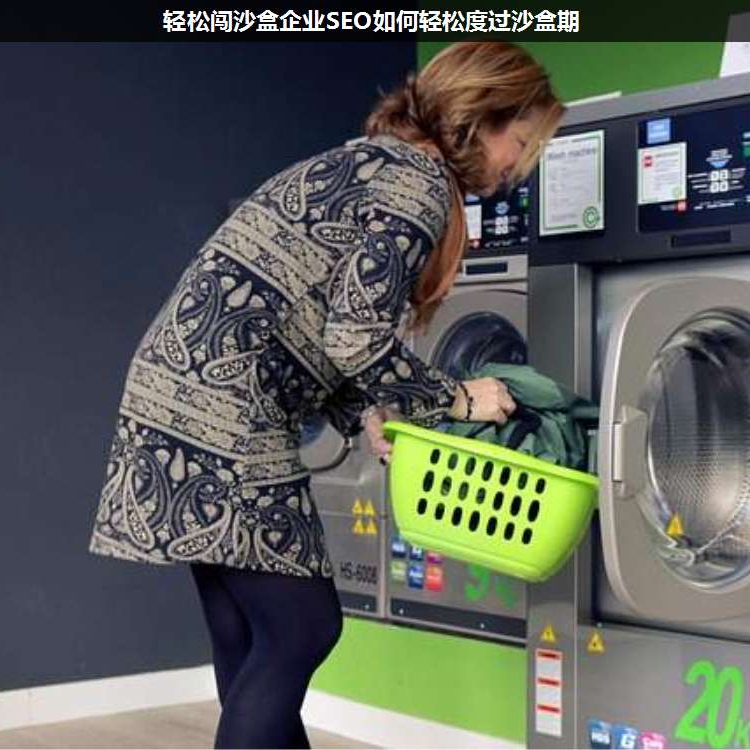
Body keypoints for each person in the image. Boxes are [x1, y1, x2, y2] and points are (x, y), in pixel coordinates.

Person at [86, 41, 563, 749]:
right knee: (303, 626)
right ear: (480, 117)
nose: (513, 170)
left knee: (248, 632)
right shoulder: (418, 187)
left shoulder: (371, 161)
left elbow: (317, 319)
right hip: (228, 407)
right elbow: (354, 333)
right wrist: (459, 398)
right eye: (519, 144)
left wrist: (369, 410)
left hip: (176, 387)